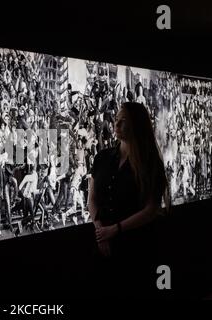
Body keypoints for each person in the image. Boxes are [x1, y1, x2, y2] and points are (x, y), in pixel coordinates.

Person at [88, 102, 170, 297]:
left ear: (136, 124)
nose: (116, 125)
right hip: (104, 247)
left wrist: (114, 230)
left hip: (137, 249)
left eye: (123, 121)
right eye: (116, 120)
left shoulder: (150, 163)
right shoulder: (102, 157)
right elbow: (91, 198)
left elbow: (151, 209)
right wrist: (101, 232)